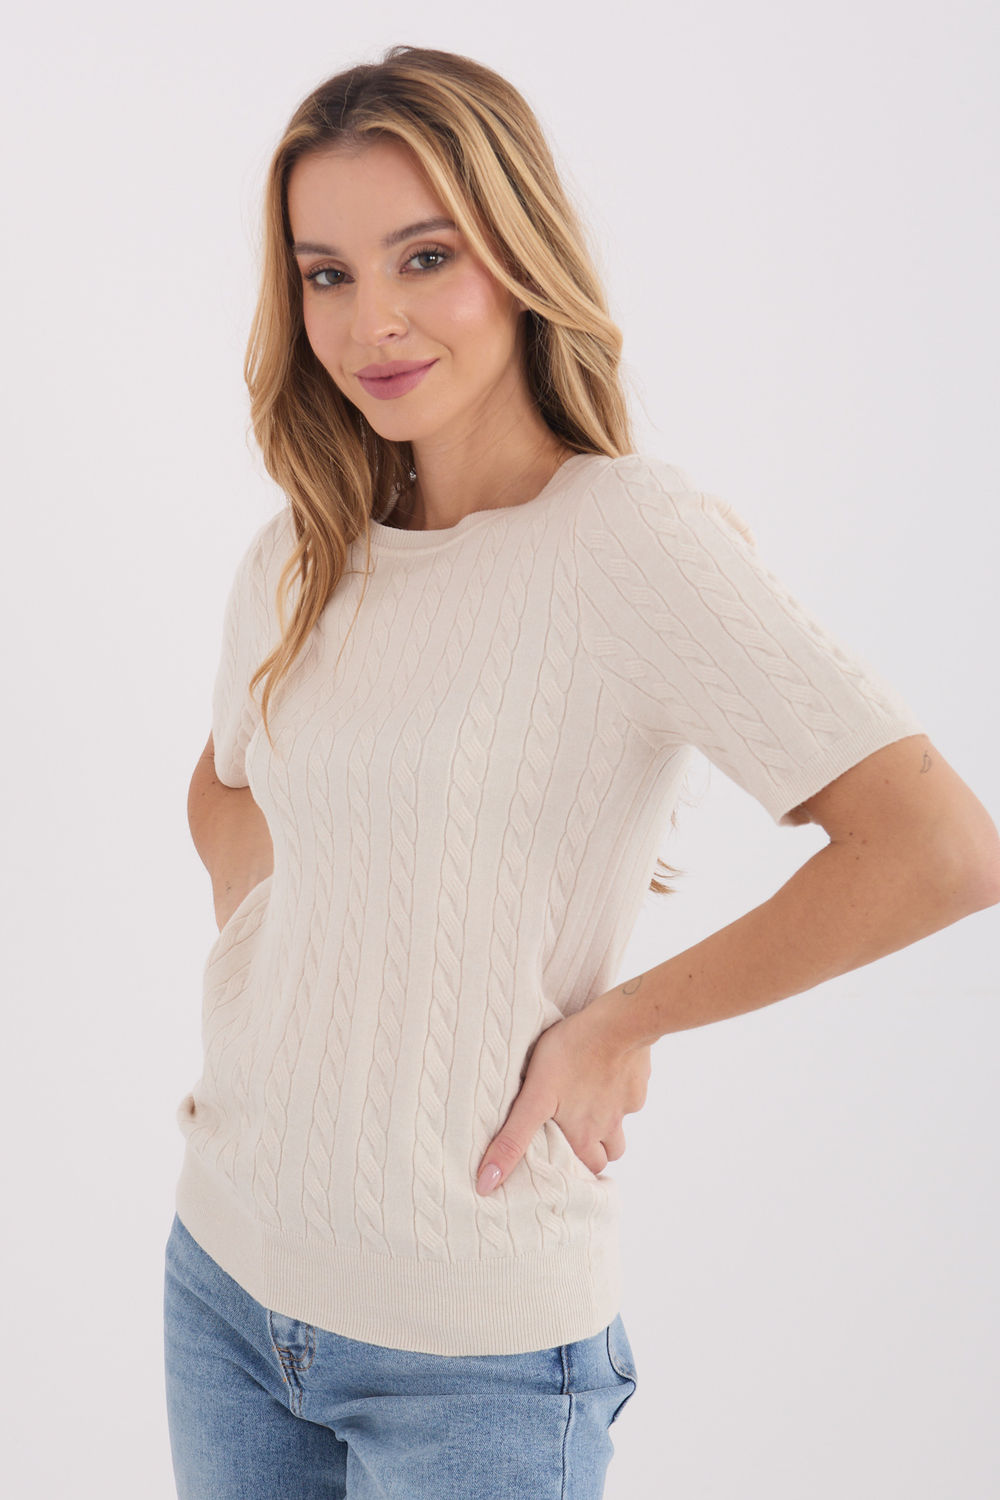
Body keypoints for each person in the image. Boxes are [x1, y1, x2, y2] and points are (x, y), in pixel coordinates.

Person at [162, 43, 1000, 1500]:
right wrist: (315, 952)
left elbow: (938, 849)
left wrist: (624, 1021)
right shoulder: (303, 544)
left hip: (473, 1359)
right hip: (227, 1279)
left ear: (519, 252)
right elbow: (227, 786)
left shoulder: (630, 539)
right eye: (327, 274)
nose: (372, 321)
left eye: (426, 257)